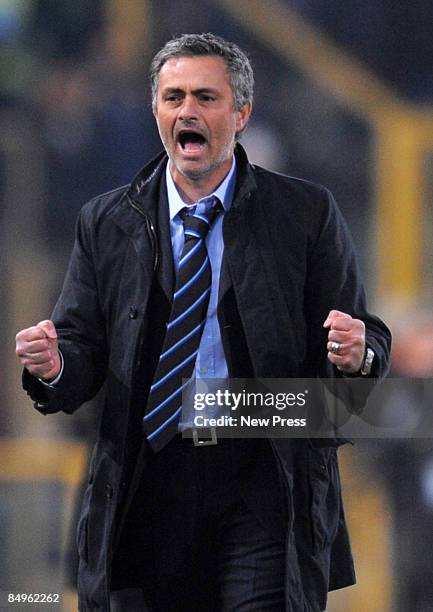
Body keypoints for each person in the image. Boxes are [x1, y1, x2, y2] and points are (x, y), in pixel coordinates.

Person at [15, 33, 391, 612]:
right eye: (173, 97)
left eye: (206, 97)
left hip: (262, 481)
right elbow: (80, 350)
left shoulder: (306, 213)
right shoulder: (106, 220)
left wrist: (355, 354)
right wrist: (55, 364)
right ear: (156, 112)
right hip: (147, 482)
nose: (187, 110)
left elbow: (365, 343)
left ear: (241, 113)